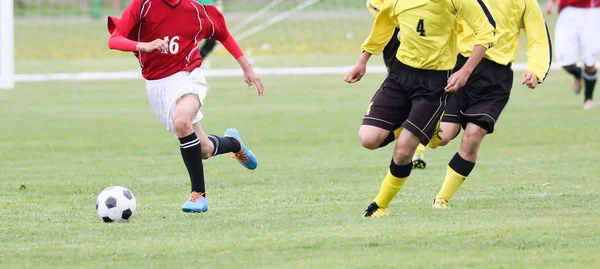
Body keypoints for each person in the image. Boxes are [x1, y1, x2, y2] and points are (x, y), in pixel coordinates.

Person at [107, 0, 264, 213]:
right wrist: (143, 45)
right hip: (156, 86)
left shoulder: (196, 10)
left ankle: (198, 195)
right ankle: (234, 144)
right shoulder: (142, 4)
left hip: (188, 76)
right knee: (204, 150)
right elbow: (114, 40)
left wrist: (247, 68)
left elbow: (223, 33)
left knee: (182, 122)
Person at [345, 0, 497, 217]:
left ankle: (380, 205)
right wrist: (362, 61)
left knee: (405, 149)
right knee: (368, 139)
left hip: (435, 82)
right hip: (400, 75)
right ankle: (426, 127)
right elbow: (383, 25)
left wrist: (464, 71)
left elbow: (486, 32)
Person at [430, 0, 552, 208]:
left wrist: (535, 70)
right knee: (443, 136)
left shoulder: (525, 2)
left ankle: (442, 199)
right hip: (460, 67)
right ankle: (416, 130)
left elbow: (538, 38)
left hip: (495, 80)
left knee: (472, 138)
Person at [364, 0, 428, 169]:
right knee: (404, 90)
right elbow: (377, 7)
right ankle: (414, 131)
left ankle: (417, 151)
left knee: (423, 92)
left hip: (423, 31)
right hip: (394, 33)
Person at [545, 0, 599, 110]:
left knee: (589, 61)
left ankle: (588, 99)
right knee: (565, 61)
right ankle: (578, 74)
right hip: (568, 10)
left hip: (593, 11)